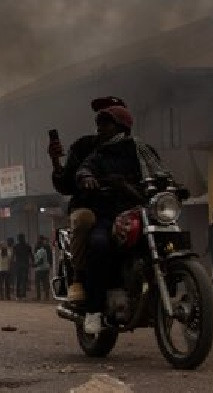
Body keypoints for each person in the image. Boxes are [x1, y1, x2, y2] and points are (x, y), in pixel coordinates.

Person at [75, 104, 170, 334]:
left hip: (143, 211)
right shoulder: (98, 155)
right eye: (99, 124)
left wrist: (174, 186)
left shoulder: (142, 150)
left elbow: (160, 172)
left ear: (120, 126)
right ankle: (94, 310)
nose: (100, 129)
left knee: (169, 240)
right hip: (109, 215)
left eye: (105, 124)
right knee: (99, 244)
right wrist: (87, 177)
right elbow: (83, 169)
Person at [49, 96, 128, 303]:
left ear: (123, 122)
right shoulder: (87, 149)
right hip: (92, 207)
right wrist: (56, 162)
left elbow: (157, 171)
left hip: (127, 208)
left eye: (108, 119)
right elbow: (67, 183)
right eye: (100, 119)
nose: (101, 125)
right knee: (89, 227)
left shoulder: (137, 149)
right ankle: (80, 280)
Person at [12, 234, 33, 299]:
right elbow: (31, 255)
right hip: (25, 265)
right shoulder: (28, 246)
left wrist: (12, 264)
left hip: (18, 265)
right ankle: (23, 295)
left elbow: (13, 256)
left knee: (18, 280)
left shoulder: (15, 247)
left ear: (18, 239)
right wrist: (33, 262)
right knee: (24, 280)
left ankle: (18, 295)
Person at [33, 236, 51, 301]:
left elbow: (40, 261)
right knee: (45, 283)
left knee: (37, 283)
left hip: (40, 269)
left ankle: (38, 297)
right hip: (45, 268)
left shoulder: (40, 251)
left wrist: (34, 265)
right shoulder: (44, 250)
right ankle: (47, 296)